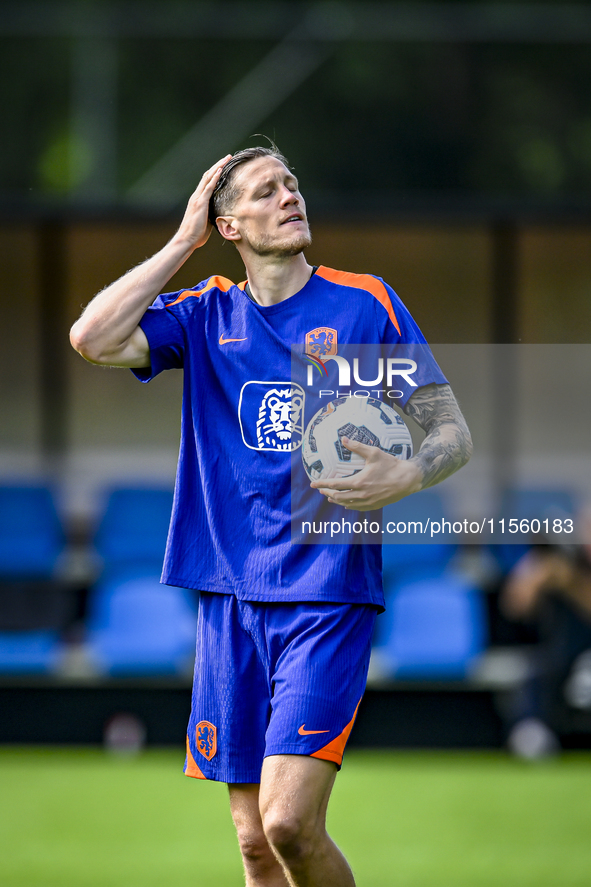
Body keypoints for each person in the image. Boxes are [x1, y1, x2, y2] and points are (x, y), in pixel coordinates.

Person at [70, 145, 472, 887]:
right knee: (254, 842)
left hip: (326, 593)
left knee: (289, 822)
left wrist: (407, 469)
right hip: (227, 594)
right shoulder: (205, 311)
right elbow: (92, 338)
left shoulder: (364, 303)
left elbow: (451, 431)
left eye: (290, 183)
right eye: (264, 190)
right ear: (228, 223)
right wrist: (181, 242)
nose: (289, 195)